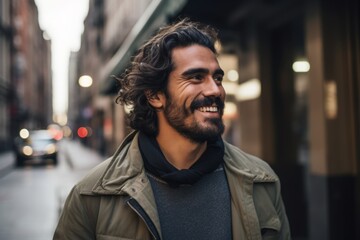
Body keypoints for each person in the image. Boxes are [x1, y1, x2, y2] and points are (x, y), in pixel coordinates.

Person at [54, 19, 291, 240]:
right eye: (196, 77)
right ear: (155, 95)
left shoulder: (262, 182)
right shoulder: (92, 196)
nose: (215, 90)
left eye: (217, 78)